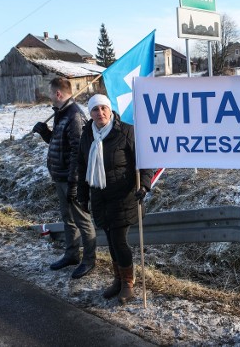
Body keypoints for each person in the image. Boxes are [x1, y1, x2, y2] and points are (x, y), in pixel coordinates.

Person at [77, 94, 152, 304]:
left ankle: (128, 282)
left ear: (110, 110)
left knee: (119, 241)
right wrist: (82, 197)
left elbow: (145, 161)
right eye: (95, 110)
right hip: (99, 198)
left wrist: (144, 185)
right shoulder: (87, 135)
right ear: (90, 113)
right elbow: (81, 166)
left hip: (123, 197)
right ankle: (118, 279)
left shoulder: (126, 131)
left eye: (103, 108)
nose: (100, 113)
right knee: (110, 241)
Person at [32, 77, 97, 279]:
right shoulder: (61, 114)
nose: (49, 96)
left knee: (82, 219)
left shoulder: (74, 115)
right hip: (60, 176)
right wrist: (45, 134)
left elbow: (78, 152)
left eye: (50, 93)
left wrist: (74, 183)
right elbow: (60, 144)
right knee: (68, 218)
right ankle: (71, 255)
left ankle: (89, 259)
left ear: (58, 94)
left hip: (72, 179)